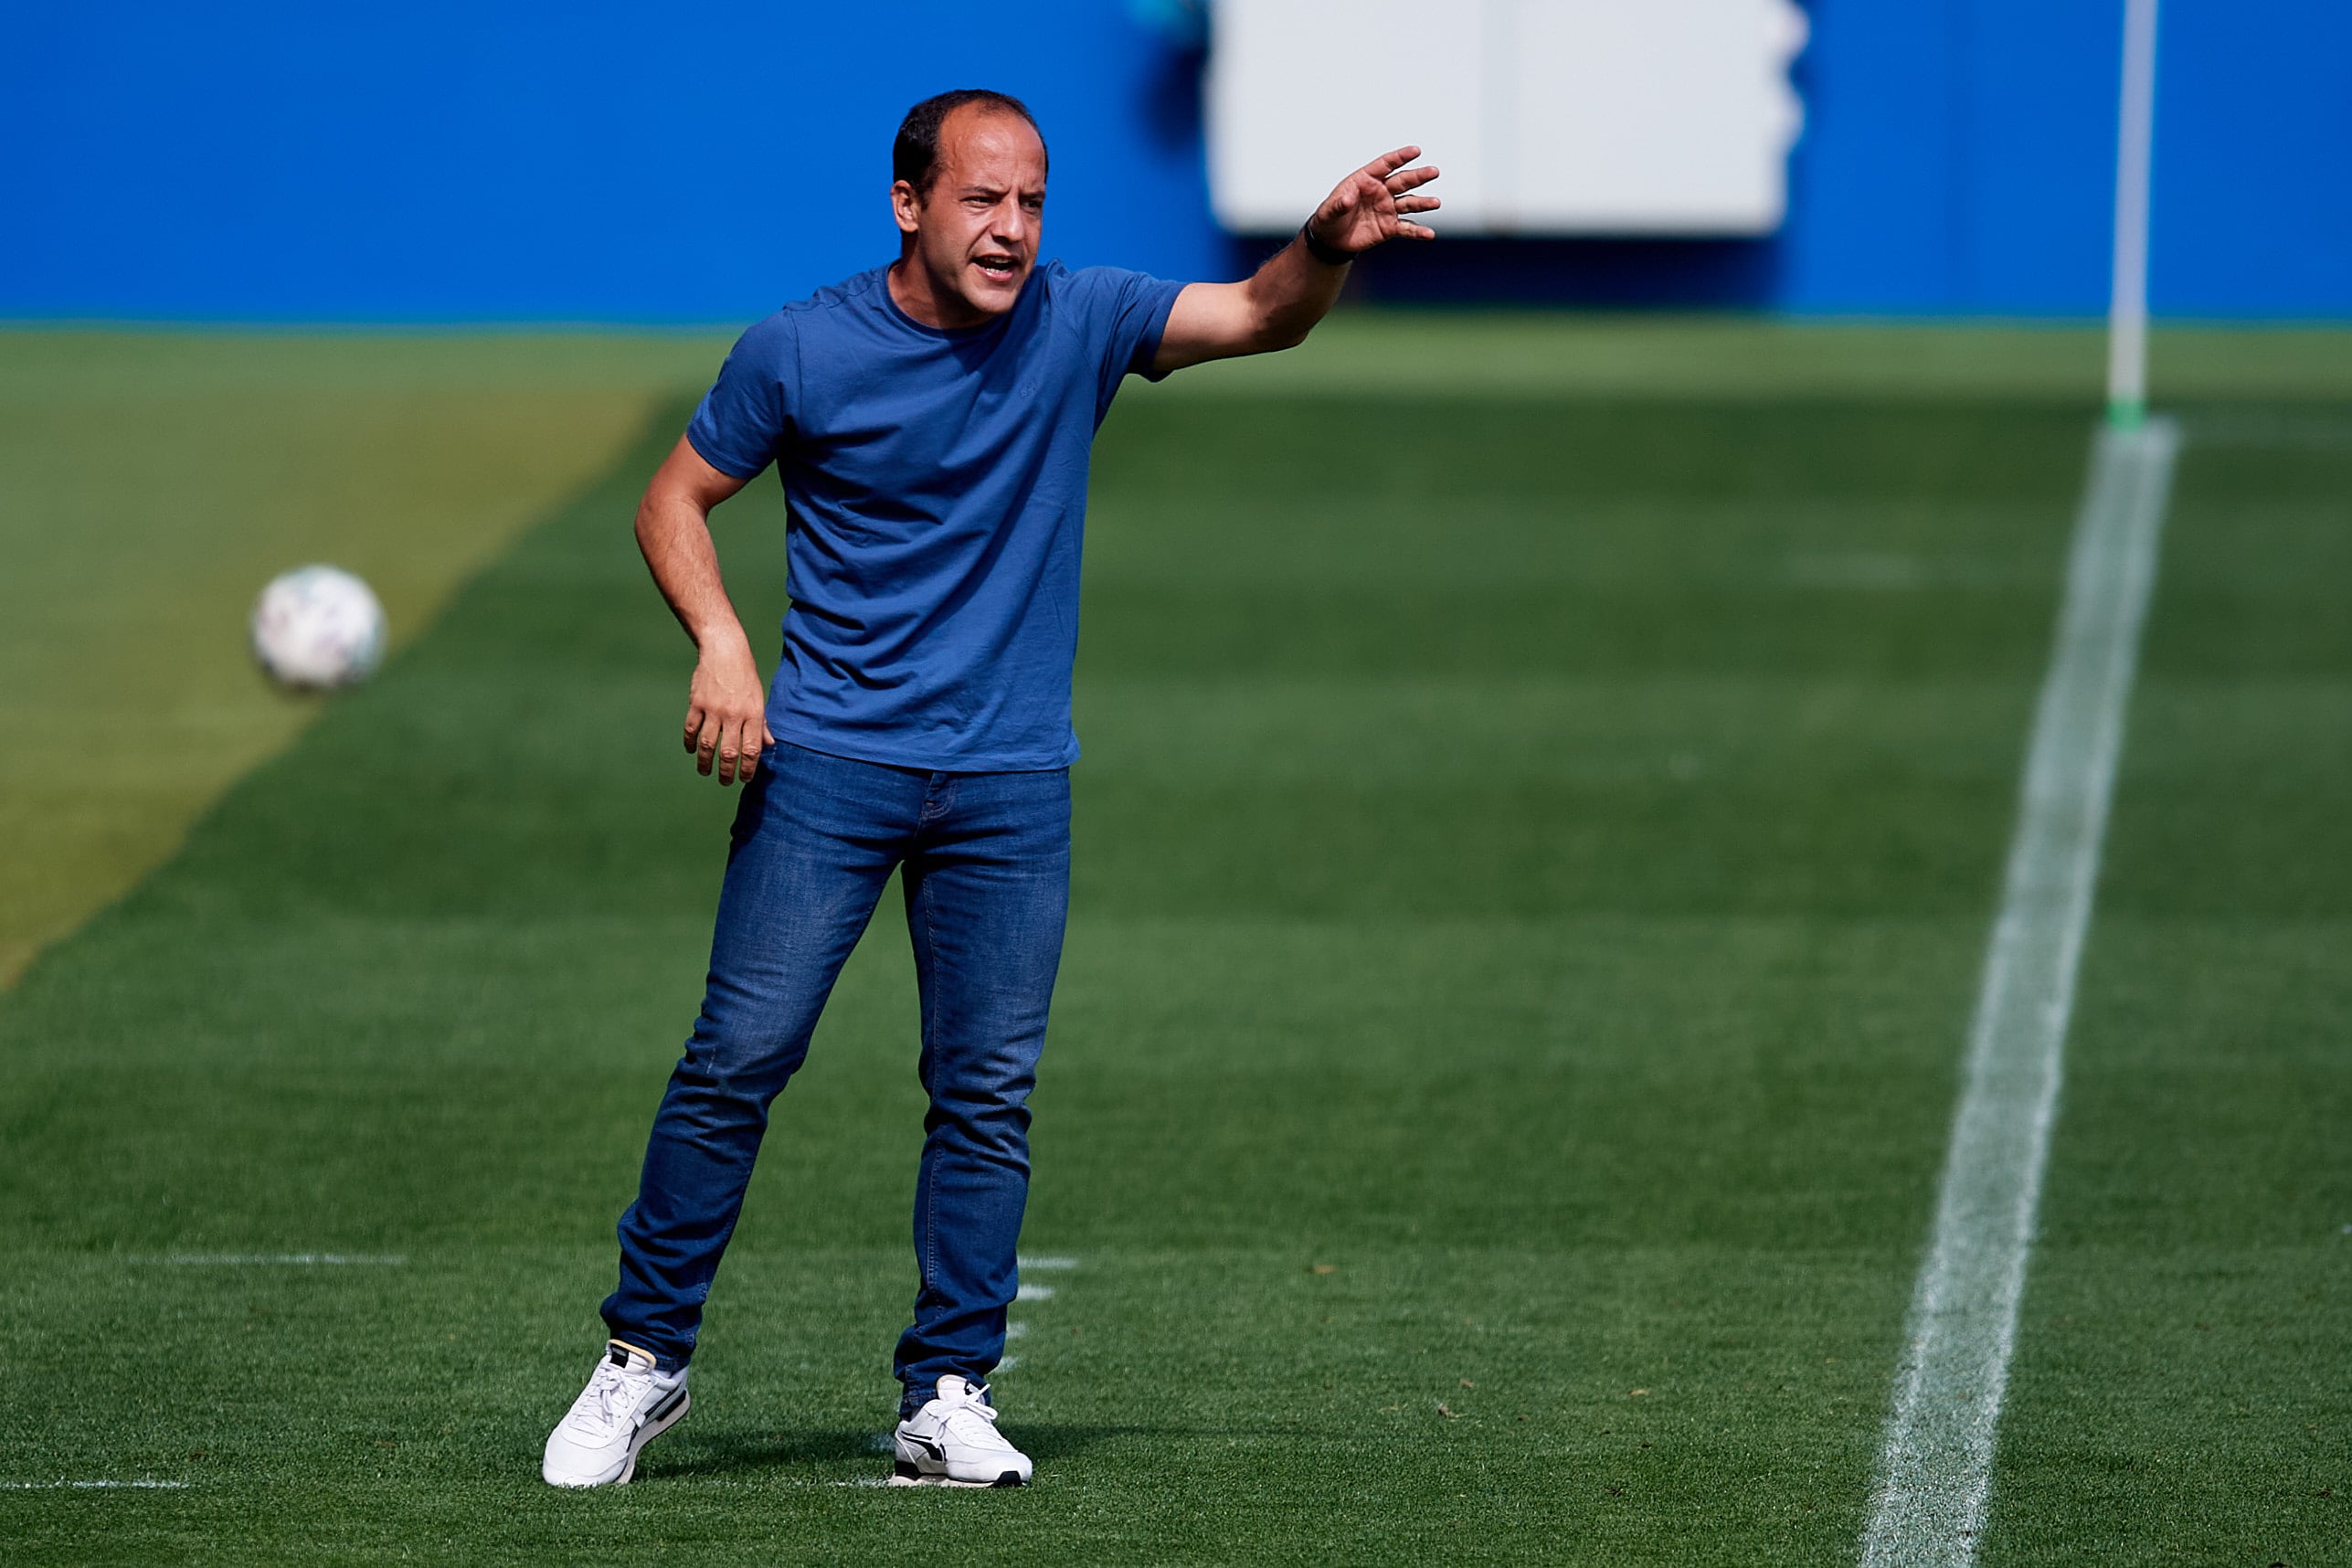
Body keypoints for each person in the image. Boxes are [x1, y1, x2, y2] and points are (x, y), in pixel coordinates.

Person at [540, 87, 1438, 1490]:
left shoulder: (1081, 319)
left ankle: (944, 1392)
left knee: (984, 1095)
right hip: (828, 766)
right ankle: (642, 1363)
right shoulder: (801, 348)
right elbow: (672, 499)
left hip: (1011, 783)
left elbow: (1262, 314)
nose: (1010, 229)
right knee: (737, 1061)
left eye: (1028, 202)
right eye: (980, 199)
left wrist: (1319, 244)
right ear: (908, 205)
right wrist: (722, 642)